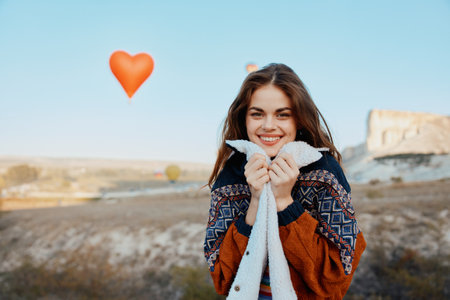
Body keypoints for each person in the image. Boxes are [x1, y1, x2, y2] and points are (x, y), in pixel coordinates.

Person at [204, 63, 366, 299]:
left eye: (283, 114)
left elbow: (335, 280)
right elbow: (222, 280)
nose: (268, 125)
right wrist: (256, 201)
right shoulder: (230, 177)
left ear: (298, 119)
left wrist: (285, 203)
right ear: (244, 117)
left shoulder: (325, 173)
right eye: (257, 113)